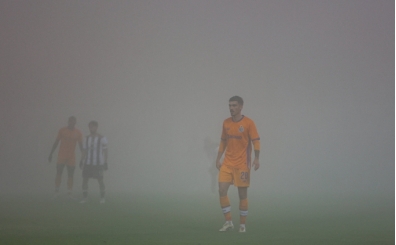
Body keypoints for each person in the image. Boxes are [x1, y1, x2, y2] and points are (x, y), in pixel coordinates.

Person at [216, 96, 260, 233]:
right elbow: (223, 141)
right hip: (227, 163)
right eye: (230, 105)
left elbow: (256, 141)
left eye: (234, 105)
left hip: (242, 164)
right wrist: (218, 159)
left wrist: (257, 158)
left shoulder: (249, 123)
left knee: (242, 195)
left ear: (241, 106)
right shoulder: (226, 123)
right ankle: (228, 222)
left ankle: (242, 225)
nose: (231, 108)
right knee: (222, 190)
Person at [48, 116, 83, 198]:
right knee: (59, 172)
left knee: (71, 174)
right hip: (61, 155)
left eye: (73, 121)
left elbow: (81, 146)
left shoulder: (78, 133)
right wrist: (51, 153)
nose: (72, 123)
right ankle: (56, 191)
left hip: (71, 157)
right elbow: (56, 142)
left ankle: (69, 192)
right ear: (68, 122)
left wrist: (83, 157)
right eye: (70, 121)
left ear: (75, 122)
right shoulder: (62, 130)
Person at [79, 121, 108, 204]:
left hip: (98, 163)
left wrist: (105, 162)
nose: (90, 128)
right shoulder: (86, 138)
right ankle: (85, 198)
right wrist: (81, 160)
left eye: (92, 127)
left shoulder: (102, 138)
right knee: (85, 180)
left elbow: (105, 150)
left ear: (96, 127)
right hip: (88, 163)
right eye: (89, 127)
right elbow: (84, 150)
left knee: (100, 180)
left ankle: (102, 198)